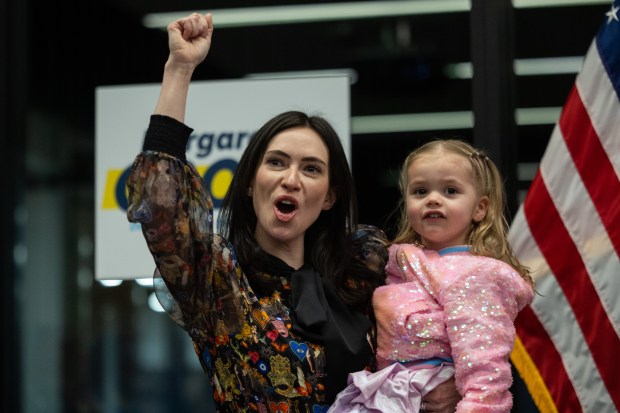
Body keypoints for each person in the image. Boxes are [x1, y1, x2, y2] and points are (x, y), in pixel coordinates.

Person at [125, 12, 460, 412]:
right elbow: (161, 206)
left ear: (330, 196)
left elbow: (452, 309)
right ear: (250, 182)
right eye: (277, 163)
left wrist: (443, 382)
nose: (292, 179)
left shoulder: (362, 269)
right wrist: (179, 69)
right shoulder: (218, 281)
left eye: (311, 169)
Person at [328, 139, 535, 413]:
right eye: (420, 190)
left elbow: (484, 364)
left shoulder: (478, 273)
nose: (433, 199)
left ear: (479, 208)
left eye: (450, 190)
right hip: (387, 392)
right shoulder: (397, 262)